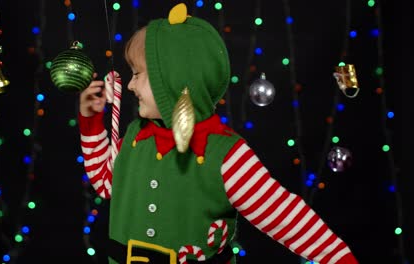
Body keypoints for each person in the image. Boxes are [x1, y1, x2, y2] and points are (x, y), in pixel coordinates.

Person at [78, 3, 359, 264]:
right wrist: (91, 122)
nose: (129, 86)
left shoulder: (226, 155)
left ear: (173, 81)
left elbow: (287, 219)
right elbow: (106, 184)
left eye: (138, 74)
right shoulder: (136, 137)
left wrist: (340, 259)